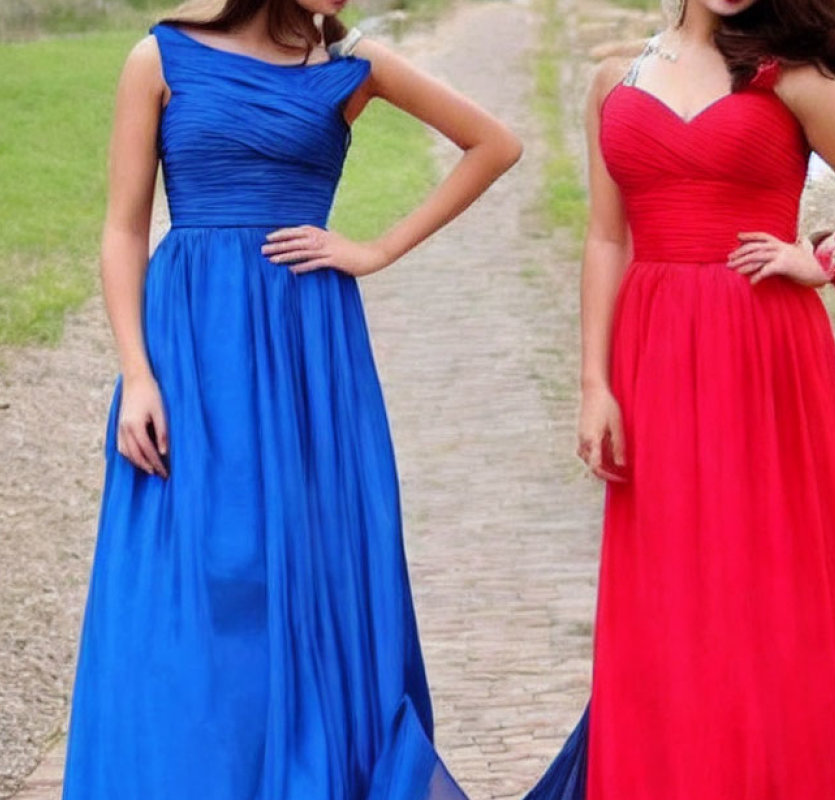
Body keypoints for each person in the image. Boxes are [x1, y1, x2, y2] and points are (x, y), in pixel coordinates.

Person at [59, 0, 521, 796]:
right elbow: (124, 228)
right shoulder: (160, 58)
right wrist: (137, 372)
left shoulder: (352, 67)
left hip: (310, 350)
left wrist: (375, 248)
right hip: (193, 348)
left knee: (310, 566)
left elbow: (496, 143)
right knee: (204, 575)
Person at [526, 0, 835, 797]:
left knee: (769, 583)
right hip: (653, 353)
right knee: (669, 589)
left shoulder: (792, 79)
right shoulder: (614, 78)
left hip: (766, 353)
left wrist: (829, 259)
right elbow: (607, 237)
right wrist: (594, 384)